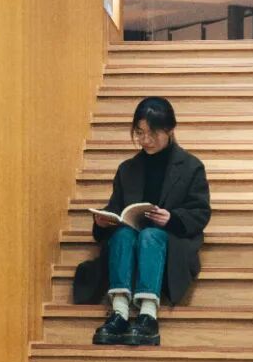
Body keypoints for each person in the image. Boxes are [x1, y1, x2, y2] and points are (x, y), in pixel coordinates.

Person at [88, 97, 211, 346]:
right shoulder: (127, 168)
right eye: (139, 133)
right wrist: (103, 220)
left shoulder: (191, 167)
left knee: (150, 235)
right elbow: (116, 207)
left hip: (170, 241)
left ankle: (148, 315)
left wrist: (172, 218)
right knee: (122, 234)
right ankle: (119, 312)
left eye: (153, 133)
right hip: (132, 240)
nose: (146, 140)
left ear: (170, 129)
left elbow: (200, 212)